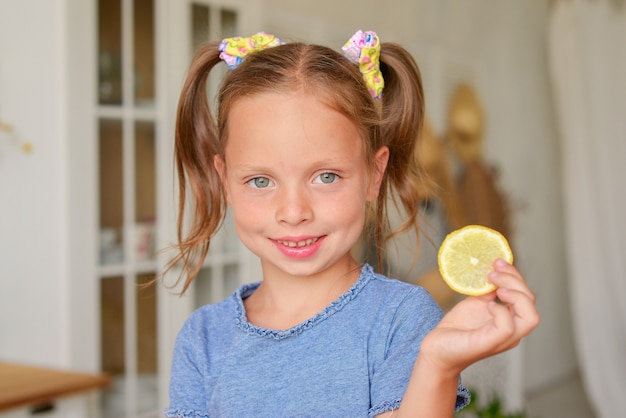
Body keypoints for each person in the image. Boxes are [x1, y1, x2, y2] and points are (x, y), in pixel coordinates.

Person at [163, 30, 540, 418]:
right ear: (224, 180)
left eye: (326, 177)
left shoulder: (401, 320)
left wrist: (437, 365)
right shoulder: (203, 337)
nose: (293, 212)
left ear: (374, 175)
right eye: (261, 181)